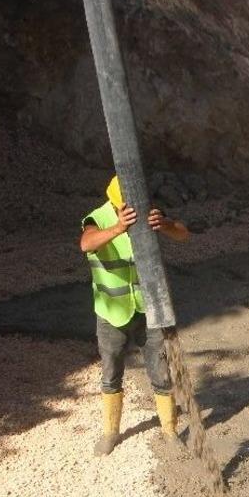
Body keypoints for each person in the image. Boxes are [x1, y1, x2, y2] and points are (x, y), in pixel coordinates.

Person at [80, 175, 189, 456]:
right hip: (111, 312)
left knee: (161, 370)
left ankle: (169, 431)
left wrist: (163, 224)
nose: (129, 212)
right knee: (111, 371)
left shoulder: (147, 210)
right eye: (122, 208)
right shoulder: (97, 218)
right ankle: (111, 433)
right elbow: (87, 243)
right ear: (113, 203)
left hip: (147, 307)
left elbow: (183, 234)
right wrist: (118, 227)